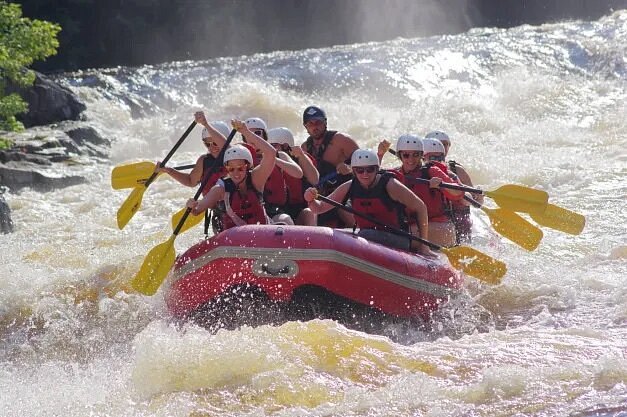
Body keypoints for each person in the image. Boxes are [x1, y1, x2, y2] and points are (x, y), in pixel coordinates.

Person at [304, 149, 433, 256]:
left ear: (376, 169)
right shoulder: (349, 186)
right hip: (368, 239)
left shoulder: (391, 185)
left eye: (370, 169)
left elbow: (420, 207)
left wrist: (424, 245)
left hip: (396, 238)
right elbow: (319, 208)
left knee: (365, 234)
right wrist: (310, 199)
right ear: (354, 171)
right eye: (360, 170)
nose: (365, 174)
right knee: (344, 234)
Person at [186, 119, 277, 229]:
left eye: (240, 169)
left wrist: (246, 131)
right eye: (231, 169)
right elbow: (196, 211)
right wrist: (191, 206)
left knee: (284, 220)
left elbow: (271, 153)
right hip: (233, 237)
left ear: (247, 166)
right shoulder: (220, 189)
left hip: (262, 231)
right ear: (226, 168)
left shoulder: (256, 179)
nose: (236, 174)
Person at [384, 135, 463, 247]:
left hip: (439, 227)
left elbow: (458, 193)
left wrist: (442, 185)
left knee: (396, 236)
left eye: (415, 155)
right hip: (412, 226)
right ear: (400, 156)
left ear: (421, 155)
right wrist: (380, 155)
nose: (411, 159)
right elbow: (372, 179)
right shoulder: (396, 174)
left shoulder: (432, 170)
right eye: (406, 155)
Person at [301, 105, 358, 227]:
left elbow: (366, 163)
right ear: (306, 127)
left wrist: (349, 168)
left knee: (343, 209)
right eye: (310, 124)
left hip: (345, 193)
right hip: (321, 197)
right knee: (307, 211)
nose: (315, 126)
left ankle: (363, 236)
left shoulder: (341, 140)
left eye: (318, 122)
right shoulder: (304, 148)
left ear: (325, 122)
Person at [425, 131, 481, 243]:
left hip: (458, 219)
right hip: (434, 220)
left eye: (445, 144)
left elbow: (474, 200)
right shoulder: (416, 170)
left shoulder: (455, 170)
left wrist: (477, 196)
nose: (441, 147)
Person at [242, 117, 300, 225]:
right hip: (250, 211)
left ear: (264, 136)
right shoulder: (240, 158)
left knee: (285, 220)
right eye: (249, 133)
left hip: (275, 210)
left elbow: (298, 173)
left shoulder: (279, 155)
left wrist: (272, 158)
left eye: (257, 133)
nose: (253, 136)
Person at [157, 111, 230, 194]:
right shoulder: (203, 161)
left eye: (215, 143)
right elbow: (190, 181)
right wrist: (169, 170)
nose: (211, 147)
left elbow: (227, 146)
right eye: (207, 144)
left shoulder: (237, 155)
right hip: (214, 205)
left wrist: (205, 124)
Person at [267, 127, 318, 226]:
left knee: (310, 213)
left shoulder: (300, 159)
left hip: (299, 209)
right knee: (285, 218)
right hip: (278, 211)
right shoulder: (267, 161)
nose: (270, 149)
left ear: (285, 146)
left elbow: (315, 180)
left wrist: (301, 156)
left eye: (273, 146)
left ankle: (312, 240)